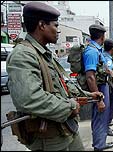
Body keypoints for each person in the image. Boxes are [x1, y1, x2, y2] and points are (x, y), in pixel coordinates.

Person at [6, 2, 102, 151]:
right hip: (49, 140)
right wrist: (70, 106)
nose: (58, 30)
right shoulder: (23, 55)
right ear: (42, 25)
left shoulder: (44, 53)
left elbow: (61, 86)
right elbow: (29, 98)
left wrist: (88, 95)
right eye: (55, 25)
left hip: (65, 130)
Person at [83, 24, 113, 151]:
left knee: (102, 117)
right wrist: (99, 99)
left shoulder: (97, 50)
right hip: (99, 90)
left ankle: (101, 142)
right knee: (99, 118)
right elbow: (90, 77)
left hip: (102, 87)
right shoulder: (91, 51)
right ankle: (99, 146)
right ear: (102, 36)